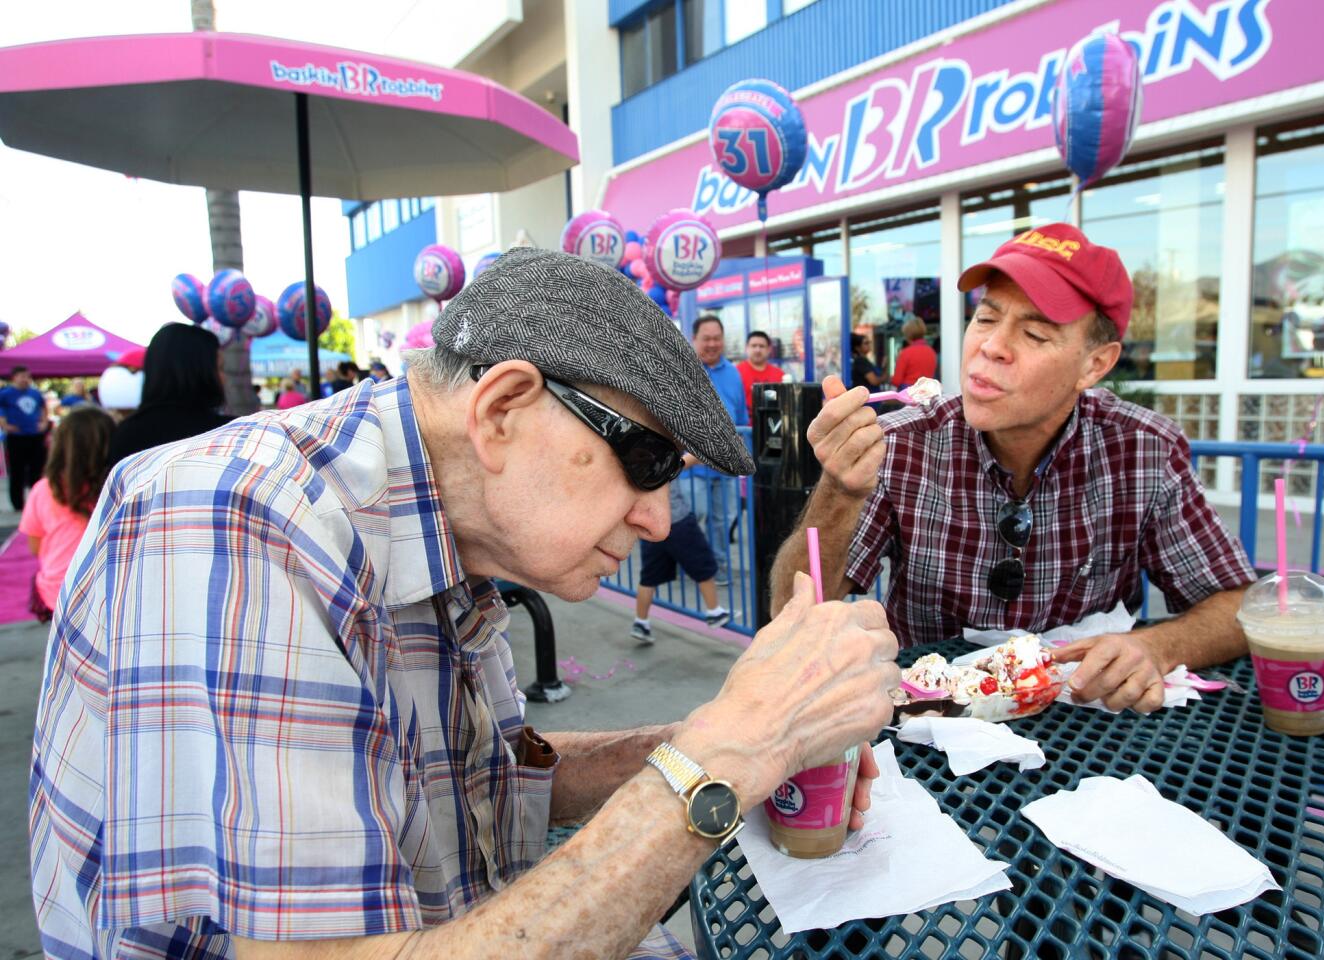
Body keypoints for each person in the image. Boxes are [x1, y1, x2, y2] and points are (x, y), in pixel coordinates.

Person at [31, 247, 899, 960]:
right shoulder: (238, 519)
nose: (657, 514)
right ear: (503, 409)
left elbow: (477, 771)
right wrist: (727, 754)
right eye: (645, 460)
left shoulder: (445, 517)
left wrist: (710, 743)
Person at [770, 223, 1256, 714]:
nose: (992, 346)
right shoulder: (902, 444)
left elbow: (1239, 607)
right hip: (928, 730)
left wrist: (1157, 646)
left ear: (1094, 365)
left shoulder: (1142, 451)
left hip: (1087, 731)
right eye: (986, 318)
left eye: (1034, 333)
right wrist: (839, 489)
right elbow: (789, 617)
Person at [17, 406, 113, 622]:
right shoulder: (117, 487)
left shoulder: (43, 489)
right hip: (107, 590)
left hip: (57, 591)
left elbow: (35, 547)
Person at [631, 456, 731, 645]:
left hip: (651, 527)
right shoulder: (666, 460)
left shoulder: (635, 464)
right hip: (677, 522)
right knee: (704, 565)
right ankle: (714, 611)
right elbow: (694, 456)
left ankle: (640, 622)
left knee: (648, 577)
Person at [107, 323, 234, 464]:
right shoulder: (227, 433)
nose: (225, 377)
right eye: (220, 368)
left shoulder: (125, 435)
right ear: (199, 370)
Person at [690, 314, 748, 584]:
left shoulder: (733, 373)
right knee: (696, 513)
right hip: (692, 465)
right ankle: (693, 565)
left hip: (724, 465)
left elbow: (741, 417)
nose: (712, 344)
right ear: (694, 340)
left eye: (716, 338)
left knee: (723, 519)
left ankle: (719, 568)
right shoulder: (684, 369)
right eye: (706, 339)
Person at [0, 365, 50, 510]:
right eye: (22, 376)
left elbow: (43, 408)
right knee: (17, 471)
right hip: (17, 436)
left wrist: (44, 422)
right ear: (14, 377)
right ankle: (18, 504)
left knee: (37, 470)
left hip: (35, 435)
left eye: (27, 377)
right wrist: (4, 425)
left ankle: (37, 503)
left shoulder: (35, 393)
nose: (25, 380)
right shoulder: (6, 394)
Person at [737, 330, 785, 421]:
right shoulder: (736, 373)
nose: (757, 350)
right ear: (746, 348)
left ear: (769, 349)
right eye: (754, 346)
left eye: (762, 346)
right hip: (744, 430)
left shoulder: (780, 374)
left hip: (772, 426)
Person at [891, 317, 937, 390]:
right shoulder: (931, 351)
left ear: (908, 335)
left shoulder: (906, 353)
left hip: (909, 393)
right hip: (927, 393)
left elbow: (896, 380)